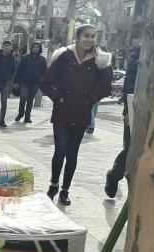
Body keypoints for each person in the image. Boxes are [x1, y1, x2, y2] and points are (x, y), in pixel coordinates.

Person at [40, 24, 112, 205]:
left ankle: (65, 190)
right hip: (62, 112)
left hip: (81, 113)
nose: (90, 39)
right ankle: (53, 185)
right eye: (86, 36)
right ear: (78, 37)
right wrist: (58, 97)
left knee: (72, 153)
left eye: (93, 36)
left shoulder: (99, 60)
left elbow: (106, 87)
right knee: (60, 151)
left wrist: (91, 100)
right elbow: (45, 82)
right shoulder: (64, 57)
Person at [105, 45, 140, 198]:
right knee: (132, 150)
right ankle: (114, 175)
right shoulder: (143, 50)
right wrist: (128, 111)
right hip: (138, 109)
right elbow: (130, 85)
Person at [13, 41, 47, 123]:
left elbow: (45, 72)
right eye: (34, 47)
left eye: (37, 47)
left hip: (35, 83)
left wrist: (44, 83)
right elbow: (19, 70)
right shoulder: (25, 58)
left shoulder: (42, 60)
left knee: (30, 99)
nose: (35, 48)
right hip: (24, 82)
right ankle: (20, 113)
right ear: (31, 48)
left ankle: (27, 117)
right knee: (23, 98)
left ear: (39, 49)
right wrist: (16, 81)